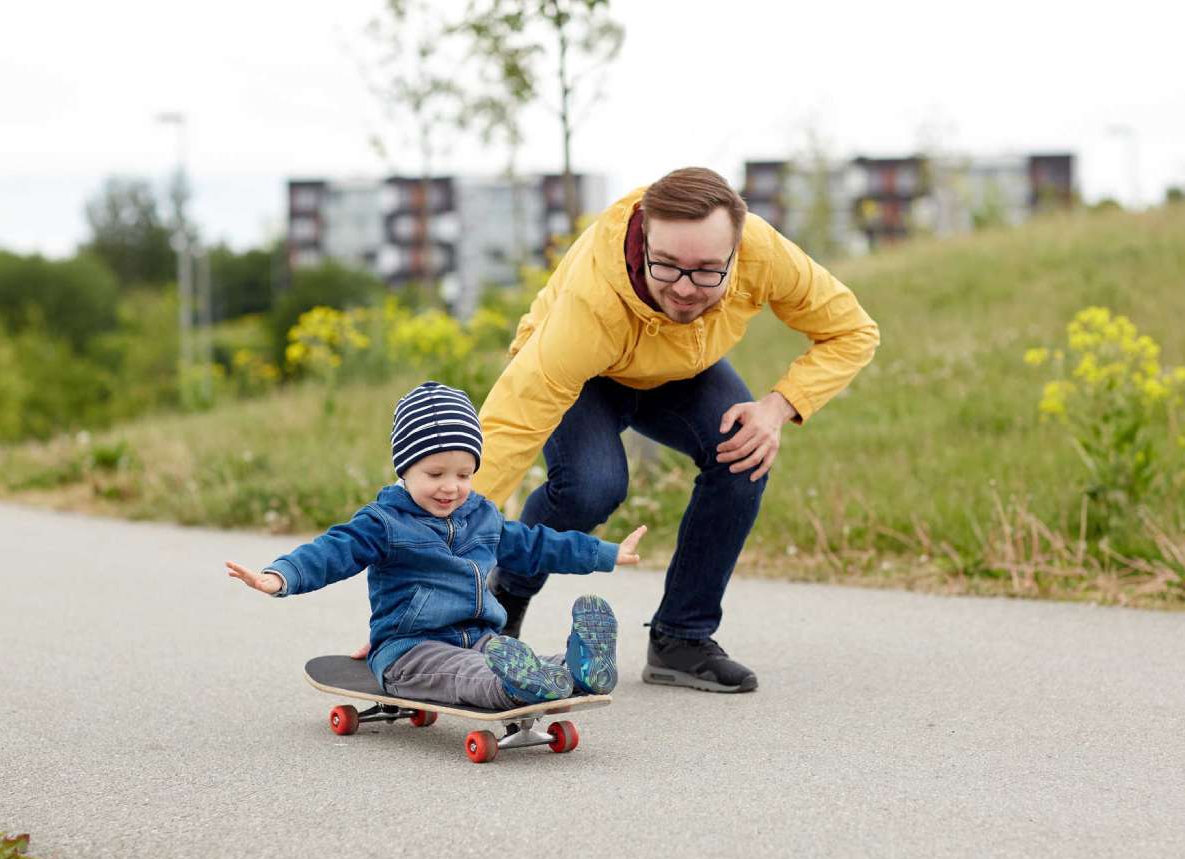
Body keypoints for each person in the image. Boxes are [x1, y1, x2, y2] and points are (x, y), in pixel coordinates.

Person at [476, 167, 880, 694]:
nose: (686, 289)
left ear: (738, 250)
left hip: (681, 368)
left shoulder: (764, 252)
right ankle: (499, 602)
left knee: (743, 450)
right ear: (644, 235)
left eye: (708, 271)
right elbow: (509, 428)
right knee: (592, 487)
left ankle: (681, 638)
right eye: (666, 267)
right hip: (588, 371)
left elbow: (851, 330)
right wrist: (428, 553)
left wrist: (778, 407)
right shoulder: (590, 303)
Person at [226, 380, 647, 710]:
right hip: (410, 651)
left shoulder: (482, 516)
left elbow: (539, 545)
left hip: (480, 638)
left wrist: (606, 553)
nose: (451, 487)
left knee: (512, 656)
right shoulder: (383, 523)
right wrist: (281, 576)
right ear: (404, 470)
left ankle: (578, 667)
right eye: (435, 473)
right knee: (467, 672)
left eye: (464, 474)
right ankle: (515, 689)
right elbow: (333, 550)